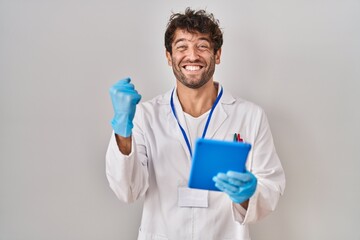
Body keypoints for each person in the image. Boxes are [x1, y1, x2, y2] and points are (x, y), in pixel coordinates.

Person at [106, 8, 285, 240]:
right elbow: (127, 191)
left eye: (202, 46)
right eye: (181, 47)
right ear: (169, 56)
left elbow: (271, 188)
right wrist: (122, 130)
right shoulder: (145, 116)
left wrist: (247, 194)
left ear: (217, 55)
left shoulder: (250, 116)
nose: (192, 56)